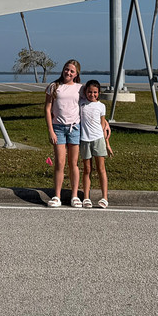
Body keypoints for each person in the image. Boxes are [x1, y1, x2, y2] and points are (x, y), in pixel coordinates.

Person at [44, 59, 83, 207]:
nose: (68, 73)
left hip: (75, 128)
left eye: (72, 71)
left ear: (76, 74)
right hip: (58, 128)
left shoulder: (80, 88)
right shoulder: (54, 87)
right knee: (60, 163)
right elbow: (48, 109)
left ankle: (74, 195)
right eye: (67, 69)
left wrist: (104, 123)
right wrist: (51, 131)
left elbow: (91, 104)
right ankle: (57, 196)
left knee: (74, 163)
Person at [78, 80, 113, 208]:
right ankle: (86, 197)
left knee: (101, 169)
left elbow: (103, 124)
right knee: (87, 169)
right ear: (85, 92)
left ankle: (104, 197)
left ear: (98, 93)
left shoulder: (101, 106)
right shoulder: (81, 103)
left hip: (98, 139)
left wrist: (107, 143)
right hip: (85, 140)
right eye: (89, 92)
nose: (92, 94)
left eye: (95, 92)